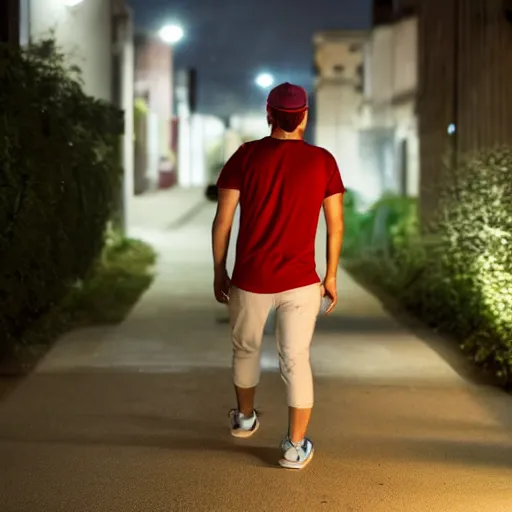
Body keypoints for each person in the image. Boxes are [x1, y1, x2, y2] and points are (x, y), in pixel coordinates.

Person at [211, 82, 345, 470]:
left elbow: (223, 222)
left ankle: (245, 418)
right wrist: (331, 275)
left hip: (250, 278)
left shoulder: (245, 156)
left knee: (245, 350)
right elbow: (335, 225)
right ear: (304, 116)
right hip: (302, 282)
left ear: (268, 115)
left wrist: (220, 271)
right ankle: (294, 446)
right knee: (295, 359)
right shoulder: (323, 161)